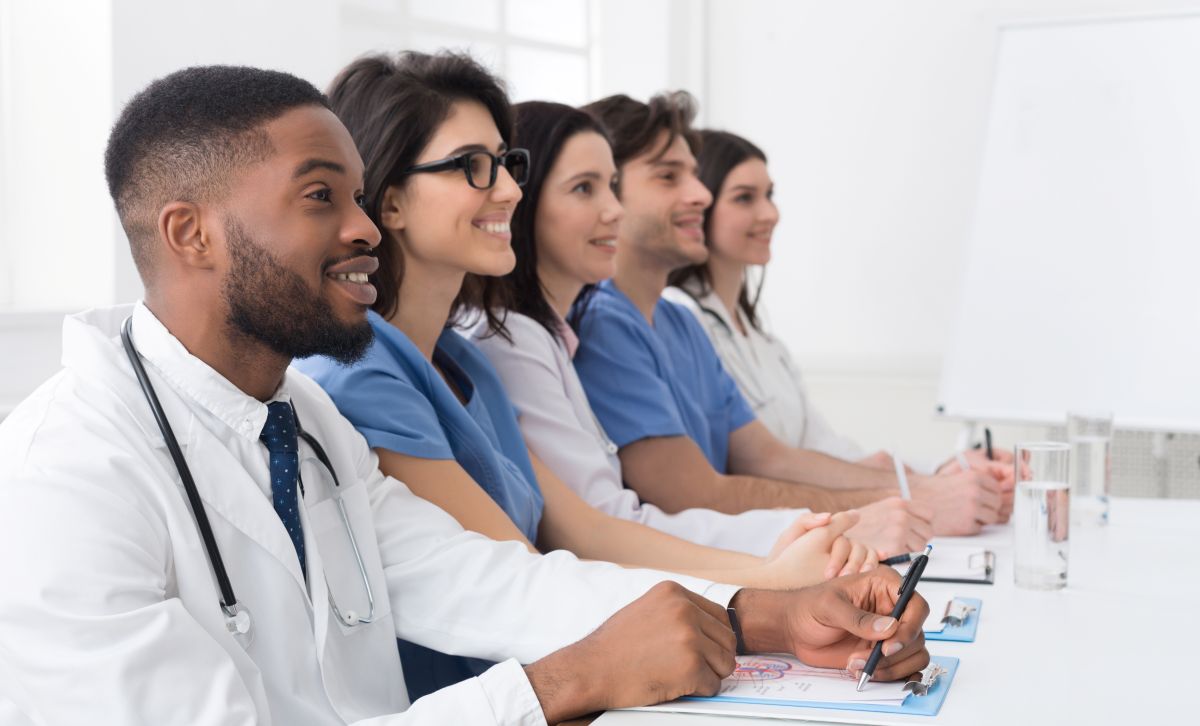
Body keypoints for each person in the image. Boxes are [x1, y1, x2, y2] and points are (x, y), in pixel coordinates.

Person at [0, 65, 930, 725]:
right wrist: (563, 685)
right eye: (322, 197)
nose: (367, 228)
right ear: (190, 234)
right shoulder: (66, 479)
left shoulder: (307, 424)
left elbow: (489, 581)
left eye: (362, 196)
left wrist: (761, 618)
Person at [296, 52, 875, 700]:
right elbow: (517, 579)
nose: (511, 190)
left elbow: (585, 529)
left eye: (507, 164)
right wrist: (766, 590)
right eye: (472, 167)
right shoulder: (359, 372)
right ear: (392, 200)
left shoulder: (469, 367)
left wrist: (773, 572)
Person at [574, 91, 1006, 544]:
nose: (700, 194)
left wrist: (916, 491)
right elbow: (695, 494)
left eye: (695, 177)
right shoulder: (606, 323)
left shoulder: (678, 326)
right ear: (607, 193)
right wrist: (911, 501)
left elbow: (769, 457)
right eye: (668, 176)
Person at [468, 100, 848, 556]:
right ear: (521, 204)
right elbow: (605, 530)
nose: (615, 209)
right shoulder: (527, 338)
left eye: (611, 186)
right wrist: (817, 531)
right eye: (585, 188)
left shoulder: (585, 332)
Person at [663, 129, 1015, 501]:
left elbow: (831, 452)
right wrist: (928, 489)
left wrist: (948, 469)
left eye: (769, 195)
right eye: (744, 198)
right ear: (700, 205)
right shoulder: (682, 319)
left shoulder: (765, 343)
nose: (769, 213)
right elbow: (757, 464)